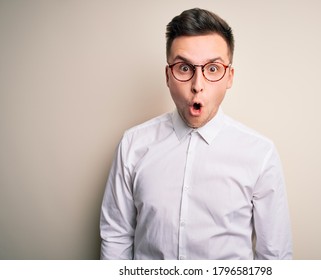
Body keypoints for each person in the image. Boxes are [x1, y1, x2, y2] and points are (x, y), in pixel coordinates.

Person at [100, 8, 292, 260]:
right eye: (184, 68)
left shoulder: (260, 154)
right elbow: (116, 237)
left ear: (229, 77)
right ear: (168, 76)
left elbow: (274, 256)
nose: (197, 85)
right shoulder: (133, 145)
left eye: (212, 69)